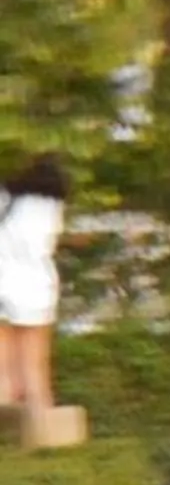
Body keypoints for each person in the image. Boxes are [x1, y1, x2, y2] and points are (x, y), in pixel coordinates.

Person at [0, 153, 70, 419]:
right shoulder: (53, 207)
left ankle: (8, 426)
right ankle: (43, 418)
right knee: (36, 364)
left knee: (4, 367)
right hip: (39, 285)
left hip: (3, 283)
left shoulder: (7, 200)